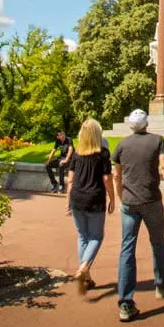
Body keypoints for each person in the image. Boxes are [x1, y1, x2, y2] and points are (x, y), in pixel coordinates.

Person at [112, 109, 164, 323]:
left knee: (127, 249)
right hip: (151, 201)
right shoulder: (157, 140)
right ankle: (162, 286)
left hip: (130, 204)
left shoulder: (122, 145)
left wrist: (120, 196)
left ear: (131, 126)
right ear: (147, 123)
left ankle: (125, 303)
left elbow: (116, 173)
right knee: (158, 242)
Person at [66, 118, 115, 294]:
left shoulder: (77, 153)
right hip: (94, 199)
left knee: (82, 236)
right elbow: (107, 178)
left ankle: (86, 278)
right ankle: (83, 268)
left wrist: (68, 202)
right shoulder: (102, 154)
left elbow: (70, 179)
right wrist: (113, 198)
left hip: (77, 198)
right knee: (96, 237)